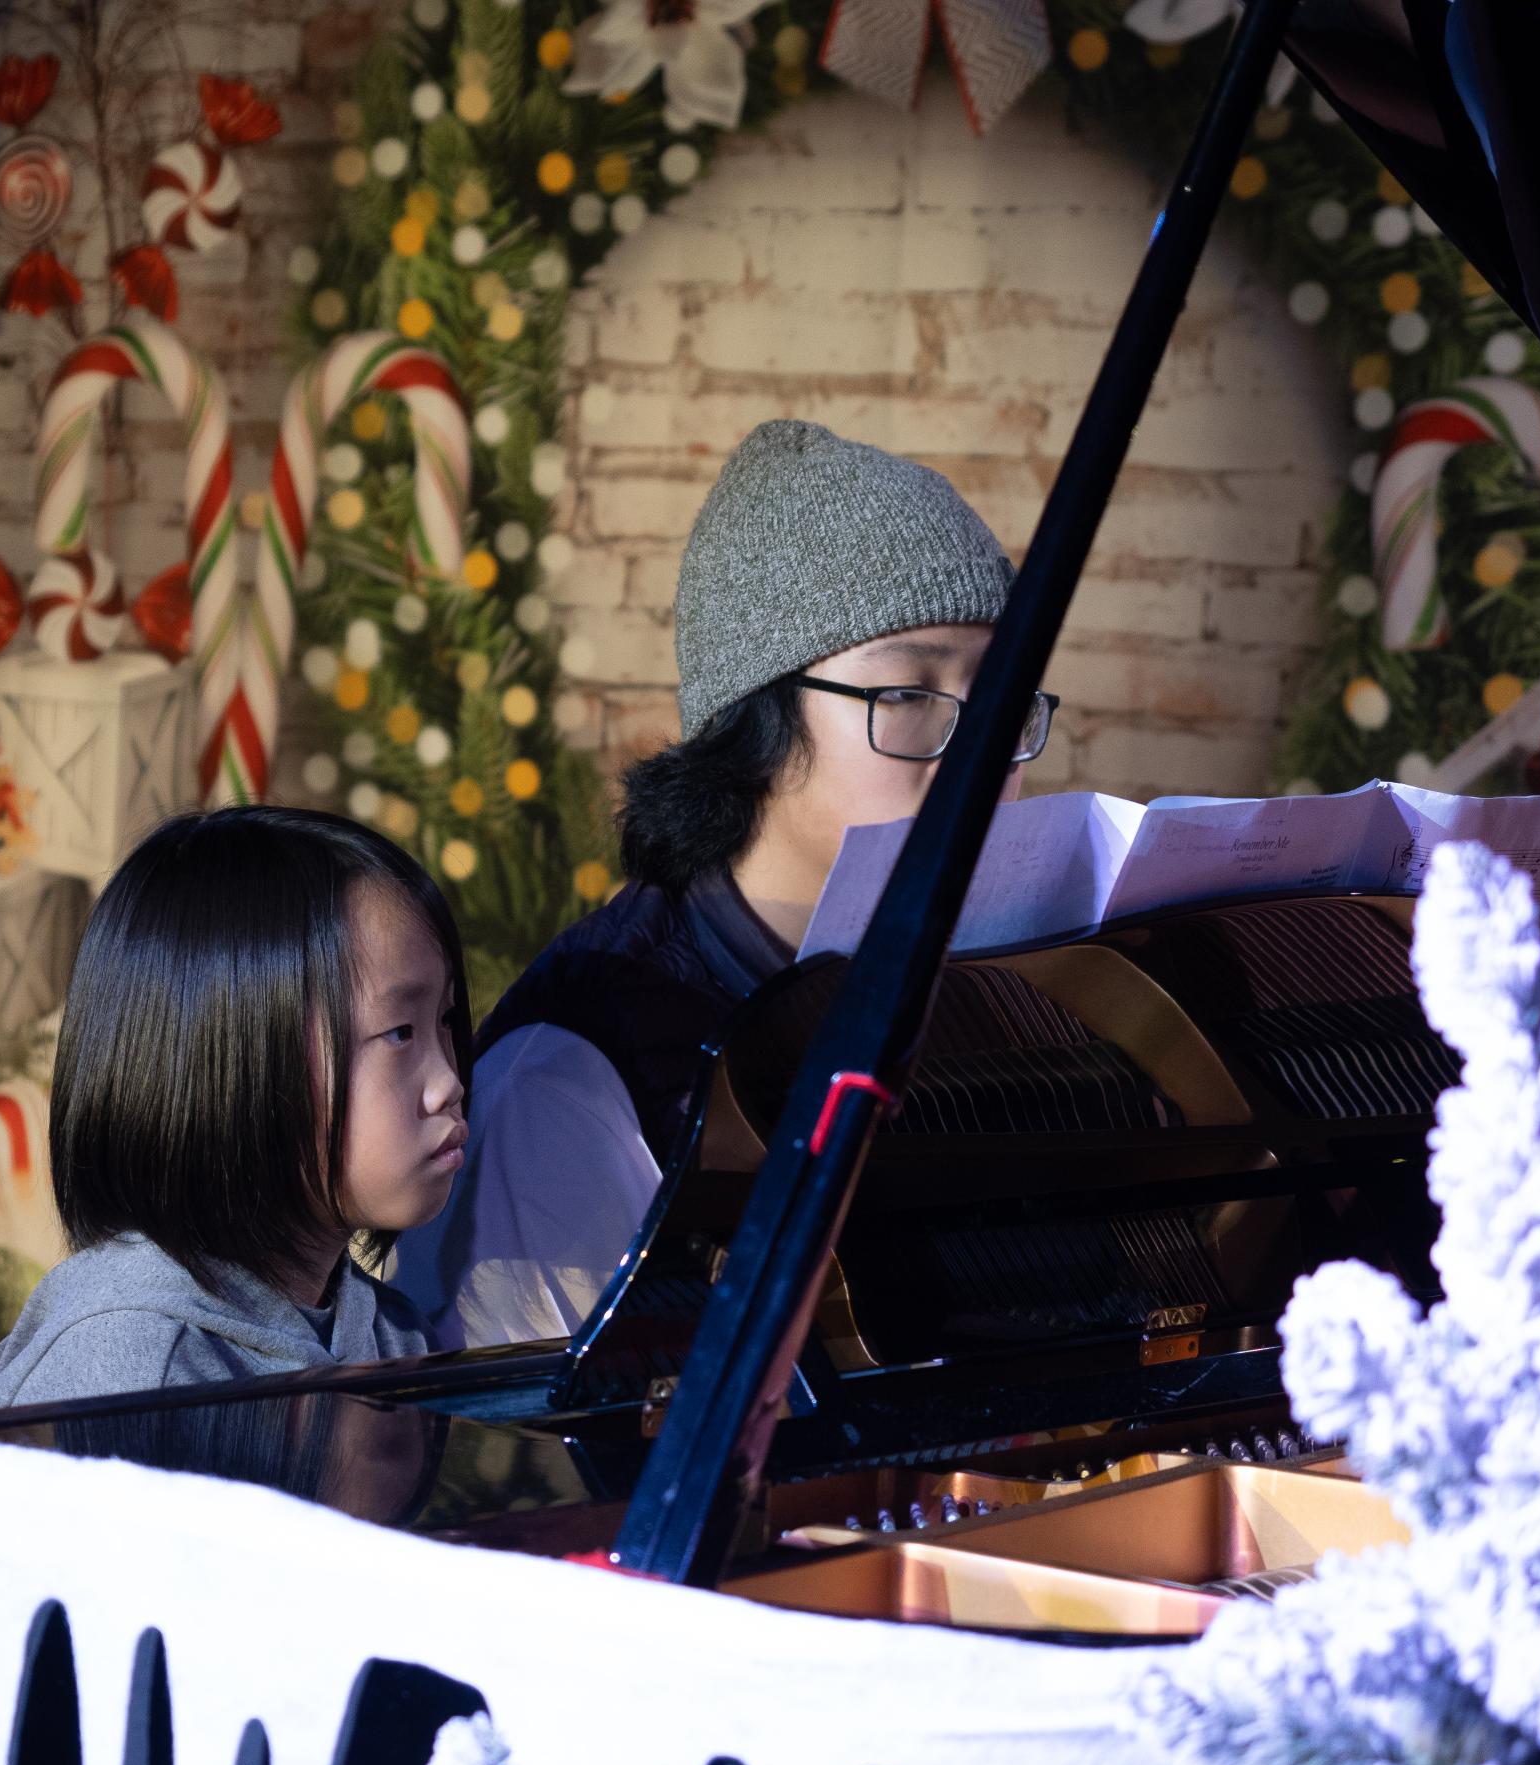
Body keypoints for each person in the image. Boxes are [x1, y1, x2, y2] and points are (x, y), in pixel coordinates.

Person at [393, 419, 1051, 1347]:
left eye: (1003, 697)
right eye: (908, 695)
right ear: (759, 719)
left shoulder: (1009, 975)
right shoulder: (578, 1076)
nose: (979, 755)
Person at [0, 806, 471, 1411]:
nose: (448, 1082)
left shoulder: (388, 1337)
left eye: (446, 1021)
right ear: (235, 1056)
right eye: (401, 1032)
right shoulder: (133, 1371)